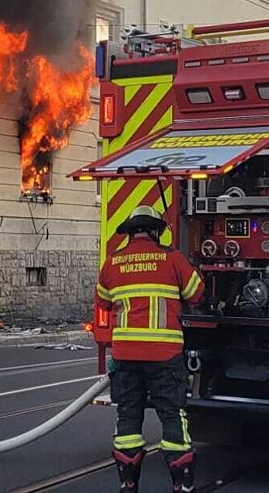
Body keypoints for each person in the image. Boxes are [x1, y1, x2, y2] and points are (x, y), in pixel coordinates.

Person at [95, 205, 206, 493]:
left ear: (130, 233)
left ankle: (128, 483)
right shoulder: (172, 258)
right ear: (156, 231)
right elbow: (196, 295)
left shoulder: (113, 262)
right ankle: (182, 485)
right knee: (172, 416)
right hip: (164, 356)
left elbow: (104, 301)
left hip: (125, 356)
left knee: (128, 418)